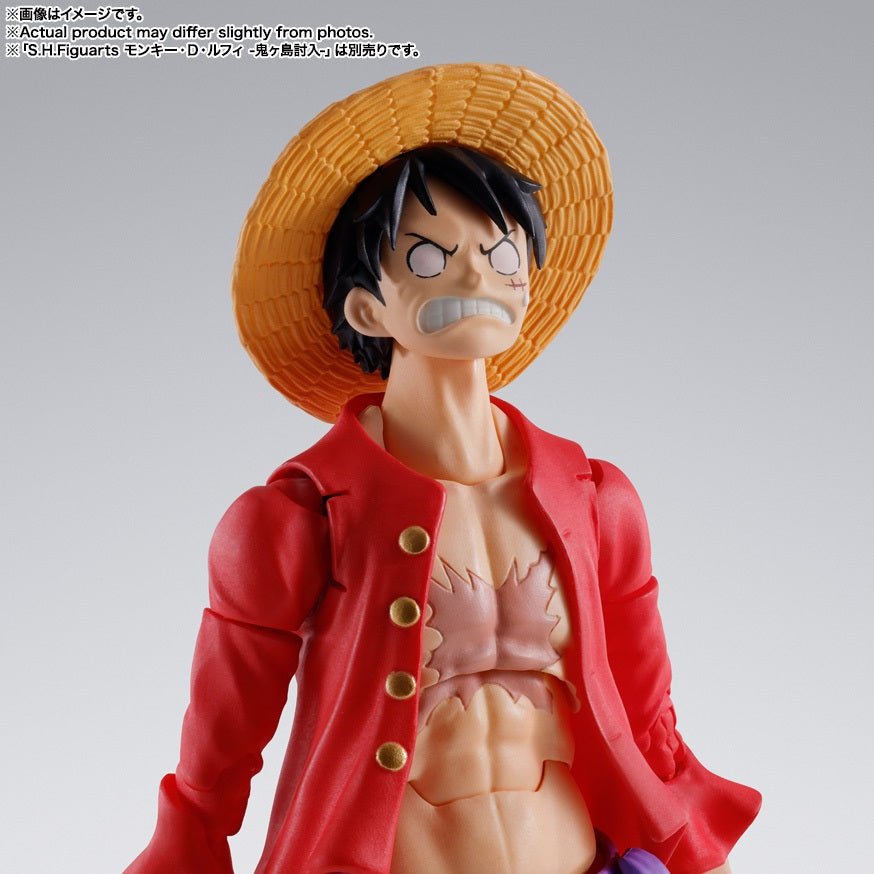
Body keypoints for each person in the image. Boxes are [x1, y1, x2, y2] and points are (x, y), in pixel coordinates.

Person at [128, 64, 760, 874]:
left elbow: (648, 717)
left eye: (501, 252)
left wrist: (695, 849)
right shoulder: (297, 520)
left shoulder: (599, 501)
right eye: (430, 257)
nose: (475, 276)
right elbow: (217, 757)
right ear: (367, 308)